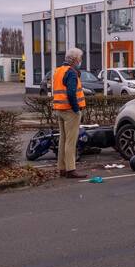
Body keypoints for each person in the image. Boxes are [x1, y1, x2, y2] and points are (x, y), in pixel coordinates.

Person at [51, 47, 87, 178]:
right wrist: (77, 110)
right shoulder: (71, 72)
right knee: (71, 141)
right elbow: (71, 93)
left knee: (63, 139)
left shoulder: (58, 71)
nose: (81, 61)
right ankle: (71, 169)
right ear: (75, 60)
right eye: (80, 58)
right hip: (70, 111)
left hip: (60, 109)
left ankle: (62, 168)